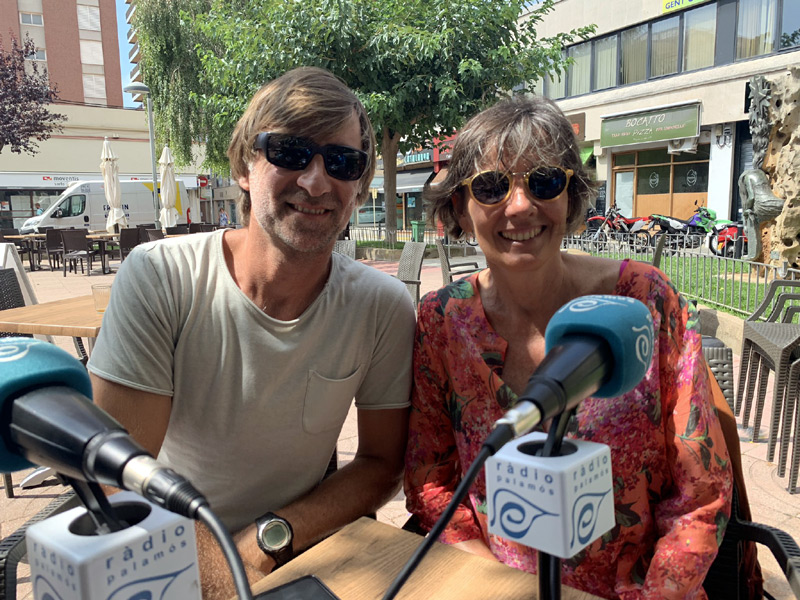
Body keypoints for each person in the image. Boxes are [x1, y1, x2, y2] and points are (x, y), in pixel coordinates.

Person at [87, 66, 415, 599]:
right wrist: (226, 576)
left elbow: (382, 464)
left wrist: (265, 542)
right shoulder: (161, 275)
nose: (315, 180)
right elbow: (115, 479)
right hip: (157, 550)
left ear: (359, 185)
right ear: (244, 165)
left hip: (293, 553)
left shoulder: (380, 305)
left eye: (342, 162)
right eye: (288, 152)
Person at [404, 96, 733, 599]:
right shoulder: (441, 322)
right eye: (491, 187)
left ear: (571, 197)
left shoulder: (646, 300)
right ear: (460, 211)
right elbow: (431, 485)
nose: (519, 206)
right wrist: (496, 587)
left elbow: (702, 497)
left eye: (543, 182)